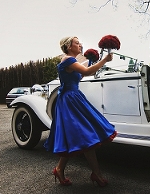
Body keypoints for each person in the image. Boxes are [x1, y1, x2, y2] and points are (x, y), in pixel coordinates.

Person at [47, 36, 116, 187]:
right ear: (68, 46)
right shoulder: (68, 60)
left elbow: (84, 73)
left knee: (80, 137)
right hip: (70, 100)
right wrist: (104, 60)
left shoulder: (71, 62)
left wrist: (91, 60)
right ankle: (96, 173)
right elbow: (88, 70)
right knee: (85, 135)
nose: (80, 45)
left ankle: (60, 169)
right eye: (77, 43)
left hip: (73, 98)